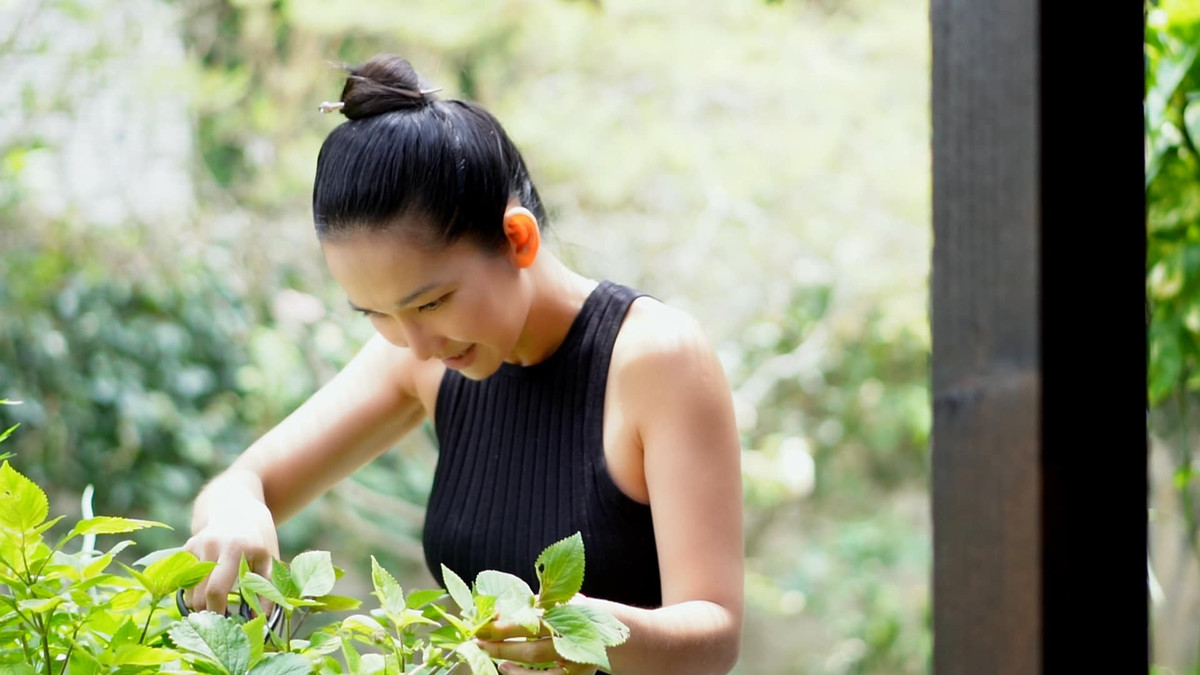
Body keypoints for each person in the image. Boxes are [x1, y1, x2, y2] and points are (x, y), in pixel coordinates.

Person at [183, 54, 744, 675]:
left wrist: (579, 630)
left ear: (517, 238)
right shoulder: (422, 356)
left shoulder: (656, 359)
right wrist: (236, 513)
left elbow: (714, 634)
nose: (415, 344)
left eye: (431, 302)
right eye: (375, 313)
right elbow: (241, 482)